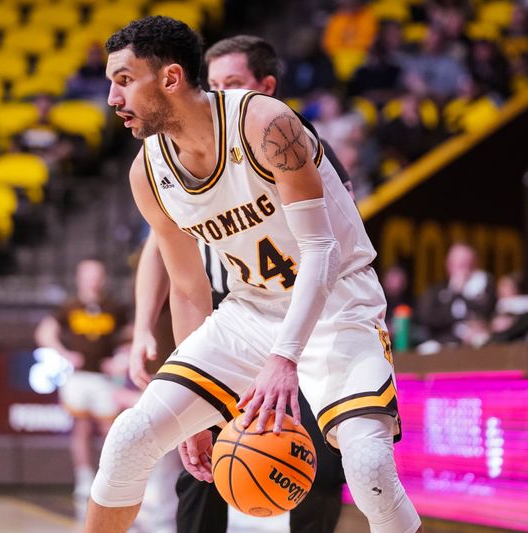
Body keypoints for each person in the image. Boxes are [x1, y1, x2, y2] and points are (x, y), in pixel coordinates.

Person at [88, 16, 422, 533]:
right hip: (251, 308)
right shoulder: (146, 171)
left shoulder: (265, 122)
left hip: (338, 304)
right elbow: (189, 288)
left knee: (369, 467)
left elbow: (321, 251)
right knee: (131, 438)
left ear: (171, 78)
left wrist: (283, 359)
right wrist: (194, 411)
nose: (112, 97)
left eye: (124, 79)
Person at [129, 34, 348, 533]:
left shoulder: (289, 139)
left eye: (233, 83)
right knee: (199, 457)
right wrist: (144, 324)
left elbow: (333, 237)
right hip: (221, 314)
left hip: (297, 314)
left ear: (264, 87)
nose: (219, 92)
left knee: (312, 454)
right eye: (214, 83)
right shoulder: (179, 154)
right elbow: (157, 247)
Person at [34, 258, 129, 499]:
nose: (93, 281)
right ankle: (84, 477)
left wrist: (121, 358)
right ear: (79, 278)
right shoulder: (69, 307)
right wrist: (64, 354)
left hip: (106, 379)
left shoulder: (114, 307)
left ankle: (110, 476)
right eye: (88, 275)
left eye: (97, 275)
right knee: (82, 428)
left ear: (104, 278)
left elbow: (133, 335)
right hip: (79, 377)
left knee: (110, 428)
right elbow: (44, 332)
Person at [415, 242, 496, 346]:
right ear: (449, 265)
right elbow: (425, 317)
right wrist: (456, 292)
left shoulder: (484, 284)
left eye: (470, 265)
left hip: (476, 342)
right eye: (461, 265)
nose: (466, 270)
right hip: (443, 342)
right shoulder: (436, 291)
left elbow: (487, 311)